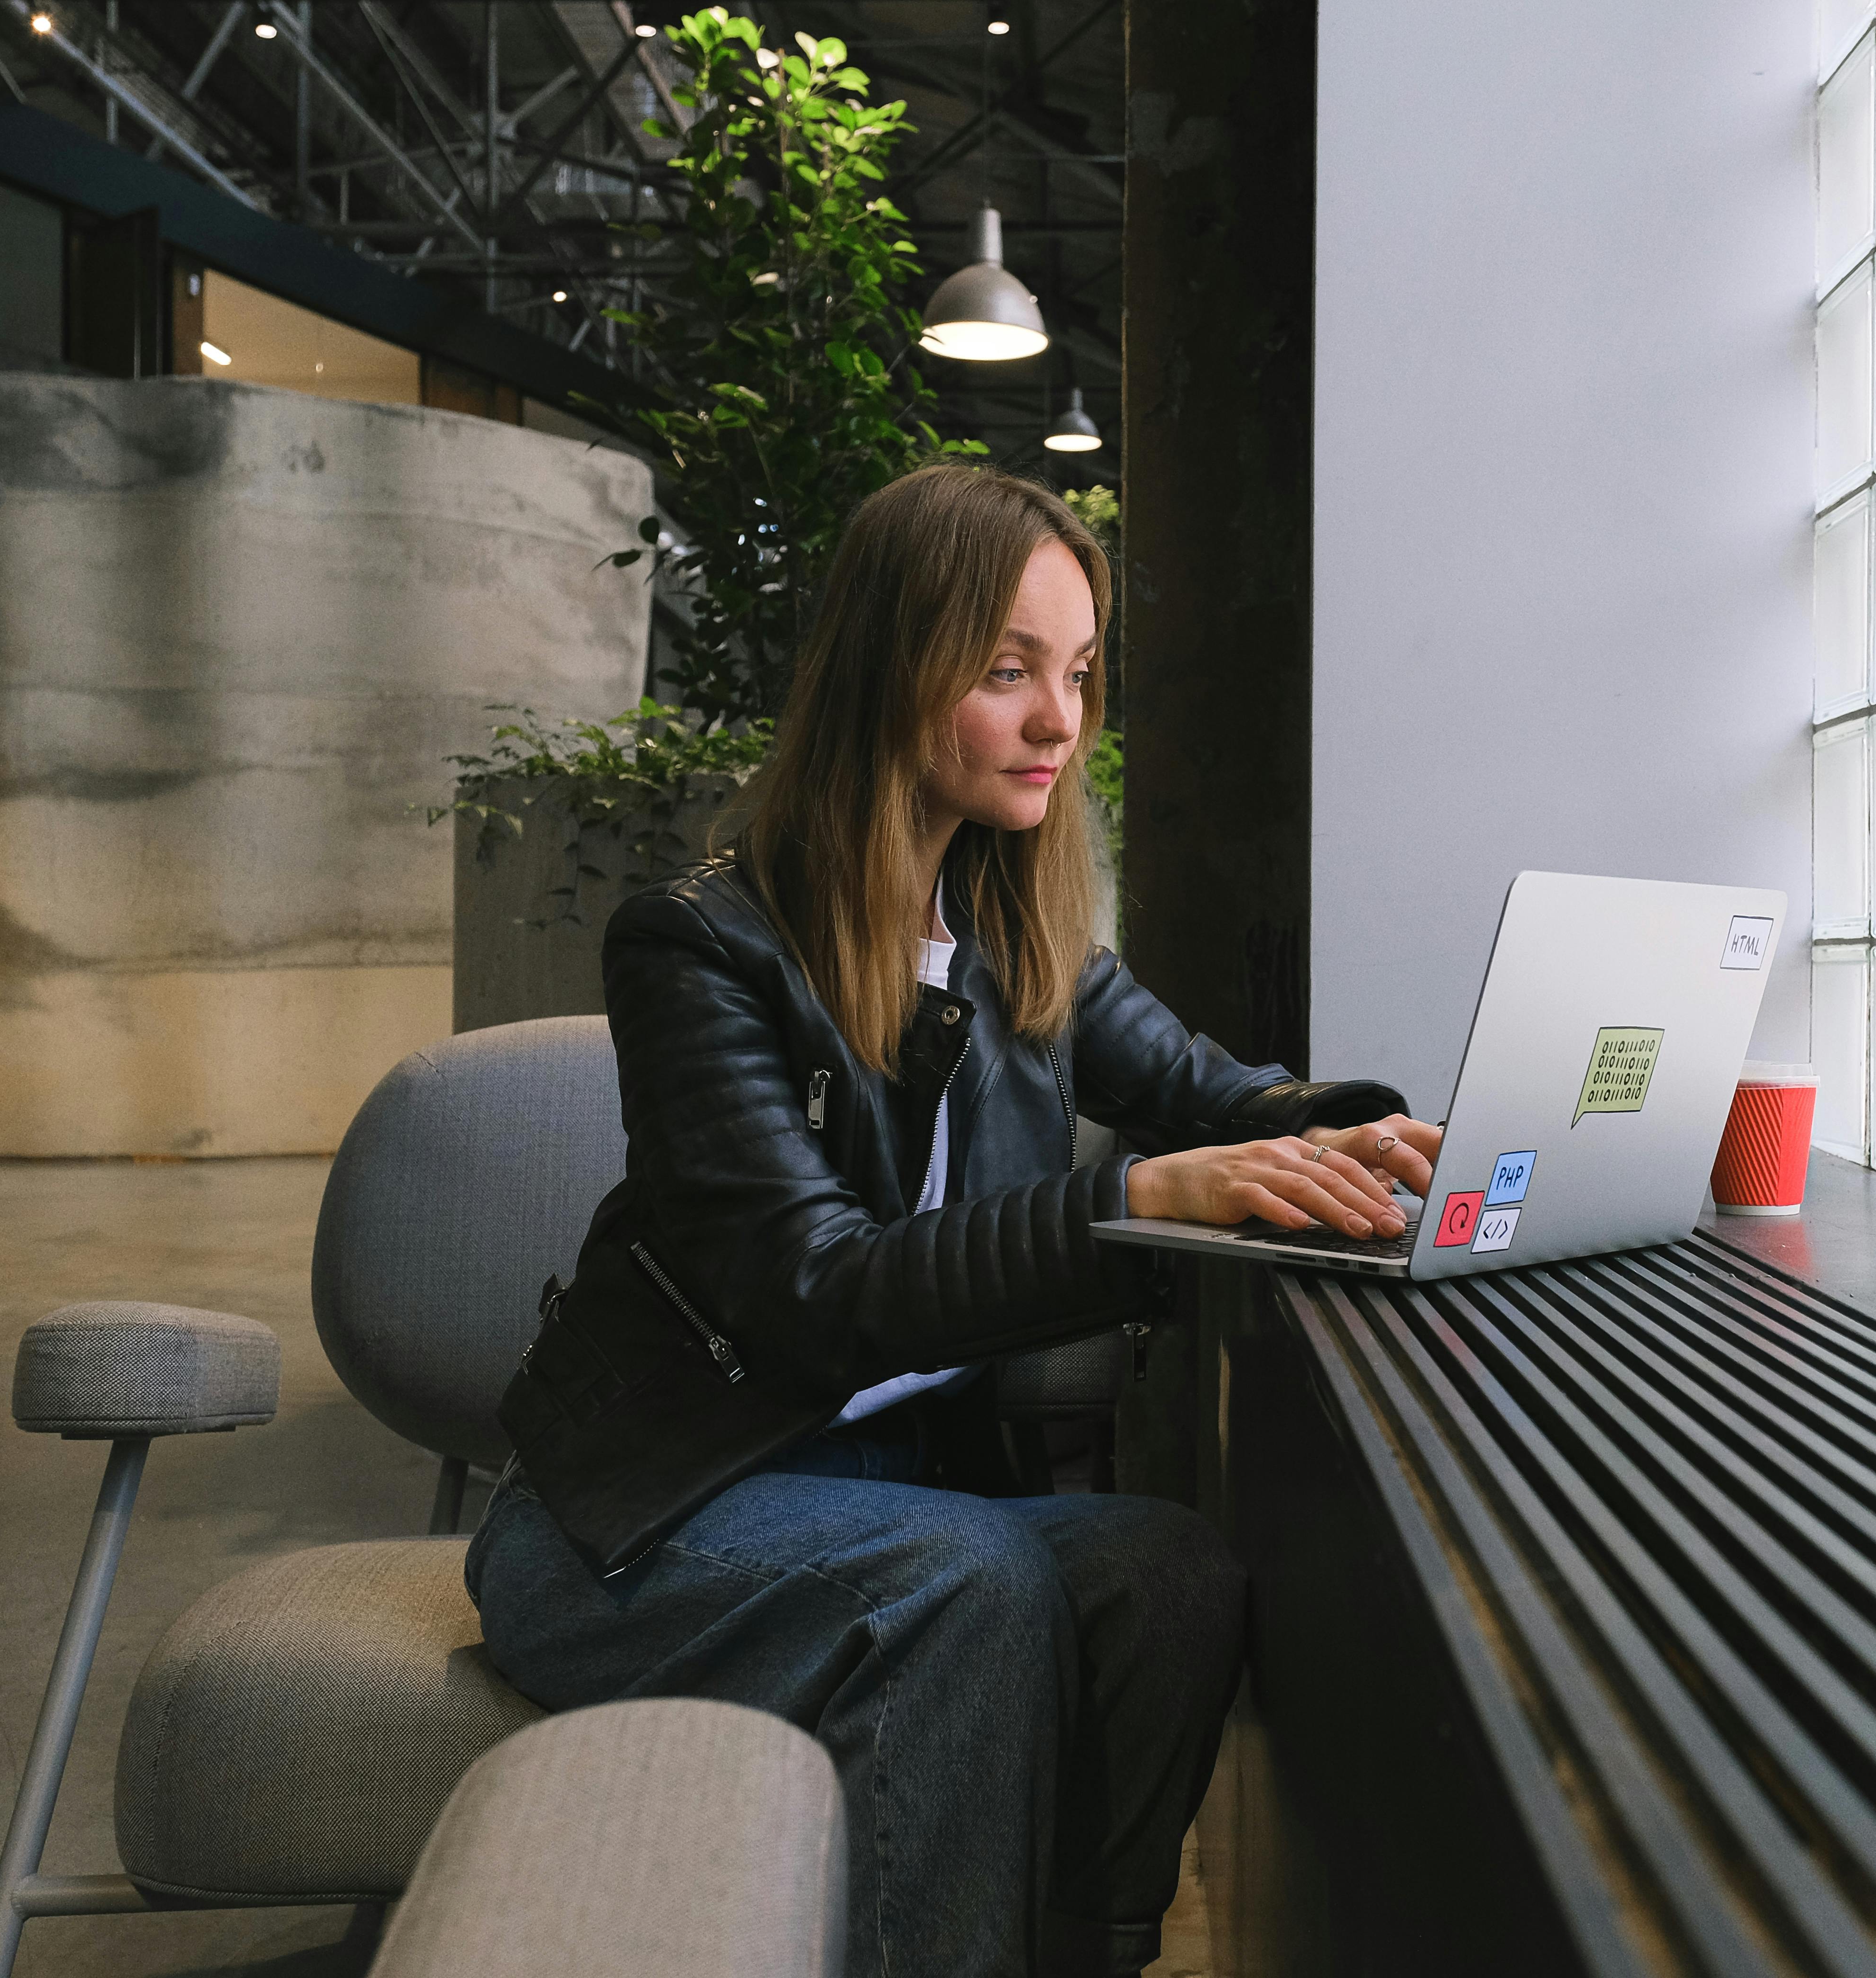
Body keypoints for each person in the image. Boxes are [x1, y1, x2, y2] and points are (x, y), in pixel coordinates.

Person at [467, 463, 1443, 1978]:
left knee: (1173, 1577)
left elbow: (1215, 1097)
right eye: (1007, 672)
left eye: (1077, 674)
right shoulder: (700, 948)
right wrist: (1125, 1201)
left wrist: (1379, 1139)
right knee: (974, 1585)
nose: (1060, 720)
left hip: (888, 1502)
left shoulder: (1015, 937)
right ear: (891, 668)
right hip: (643, 1524)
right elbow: (815, 1289)